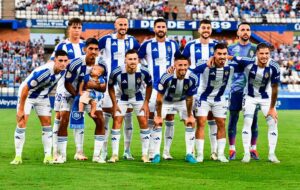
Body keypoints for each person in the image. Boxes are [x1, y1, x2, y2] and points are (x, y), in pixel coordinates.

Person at [10, 50, 69, 165]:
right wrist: (21, 109)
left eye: (65, 61)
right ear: (55, 60)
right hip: (28, 95)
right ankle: (17, 156)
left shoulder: (63, 70)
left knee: (47, 123)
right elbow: (26, 88)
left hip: (42, 97)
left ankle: (48, 156)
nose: (63, 63)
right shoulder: (45, 72)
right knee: (22, 123)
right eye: (60, 60)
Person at [55, 38, 107, 164]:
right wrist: (77, 96)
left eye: (96, 49)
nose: (93, 52)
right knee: (64, 120)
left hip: (88, 95)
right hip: (69, 92)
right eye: (91, 49)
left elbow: (103, 87)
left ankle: (96, 156)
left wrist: (91, 90)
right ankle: (62, 155)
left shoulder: (102, 65)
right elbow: (67, 83)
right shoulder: (76, 63)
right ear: (85, 49)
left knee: (100, 119)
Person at [228, 43, 280, 163]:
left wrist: (272, 108)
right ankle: (246, 153)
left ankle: (271, 154)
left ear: (269, 54)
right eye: (261, 53)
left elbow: (275, 88)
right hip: (250, 97)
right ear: (256, 54)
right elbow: (230, 57)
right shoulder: (248, 62)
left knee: (273, 122)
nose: (264, 56)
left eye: (266, 53)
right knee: (247, 121)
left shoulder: (274, 66)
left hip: (266, 98)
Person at [98, 16, 140, 161]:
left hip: (127, 84)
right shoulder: (106, 40)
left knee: (127, 117)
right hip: (110, 83)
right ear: (115, 26)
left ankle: (127, 150)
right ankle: (104, 151)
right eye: (120, 24)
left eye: (125, 24)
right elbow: (95, 53)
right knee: (107, 117)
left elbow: (139, 58)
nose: (123, 27)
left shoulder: (132, 41)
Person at [138, 18, 181, 160]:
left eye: (163, 26)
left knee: (169, 118)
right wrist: (144, 70)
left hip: (170, 87)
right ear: (154, 29)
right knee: (152, 117)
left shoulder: (173, 44)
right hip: (153, 86)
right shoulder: (147, 44)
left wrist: (175, 67)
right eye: (158, 27)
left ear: (166, 29)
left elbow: (180, 61)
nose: (161, 29)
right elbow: (137, 59)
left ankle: (166, 151)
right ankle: (151, 151)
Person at [193, 43, 237, 163]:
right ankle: (200, 154)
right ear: (214, 54)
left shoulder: (231, 65)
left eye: (224, 54)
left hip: (220, 98)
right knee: (201, 122)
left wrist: (232, 58)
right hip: (203, 98)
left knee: (221, 124)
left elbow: (249, 61)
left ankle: (221, 154)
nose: (222, 56)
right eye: (219, 54)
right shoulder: (205, 64)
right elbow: (191, 71)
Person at [182, 19, 219, 161]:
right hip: (195, 89)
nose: (206, 30)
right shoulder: (191, 45)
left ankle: (214, 151)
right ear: (199, 30)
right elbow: (182, 62)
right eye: (203, 27)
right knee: (196, 120)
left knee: (213, 119)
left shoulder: (216, 45)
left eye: (208, 28)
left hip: (212, 89)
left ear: (211, 30)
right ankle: (192, 151)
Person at [107, 49, 153, 163]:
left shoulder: (144, 71)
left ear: (138, 60)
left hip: (137, 97)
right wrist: (114, 104)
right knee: (117, 121)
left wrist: (146, 102)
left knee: (143, 122)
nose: (132, 61)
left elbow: (149, 85)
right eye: (130, 59)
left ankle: (144, 155)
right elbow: (110, 87)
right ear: (125, 60)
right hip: (122, 97)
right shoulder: (116, 72)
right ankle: (114, 155)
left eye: (135, 59)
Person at [51, 18, 86, 161]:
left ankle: (79, 151)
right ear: (69, 29)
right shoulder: (63, 45)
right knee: (60, 117)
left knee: (79, 117)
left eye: (79, 27)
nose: (77, 30)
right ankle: (56, 151)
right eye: (74, 27)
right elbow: (55, 64)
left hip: (80, 87)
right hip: (63, 86)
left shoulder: (84, 46)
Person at [153, 55, 198, 164]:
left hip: (182, 101)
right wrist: (158, 116)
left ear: (188, 65)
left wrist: (189, 115)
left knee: (190, 123)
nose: (183, 68)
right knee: (158, 123)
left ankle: (189, 154)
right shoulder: (166, 77)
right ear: (174, 65)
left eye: (185, 65)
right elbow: (159, 99)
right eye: (180, 65)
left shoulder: (193, 78)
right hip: (165, 101)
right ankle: (156, 154)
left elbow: (189, 98)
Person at [227, 22, 259, 160]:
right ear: (238, 33)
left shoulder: (256, 48)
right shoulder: (230, 48)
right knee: (233, 118)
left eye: (248, 30)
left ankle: (253, 149)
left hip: (252, 89)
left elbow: (255, 64)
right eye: (242, 30)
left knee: (253, 120)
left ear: (250, 32)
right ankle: (232, 150)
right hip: (235, 88)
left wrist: (238, 60)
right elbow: (228, 64)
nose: (245, 32)